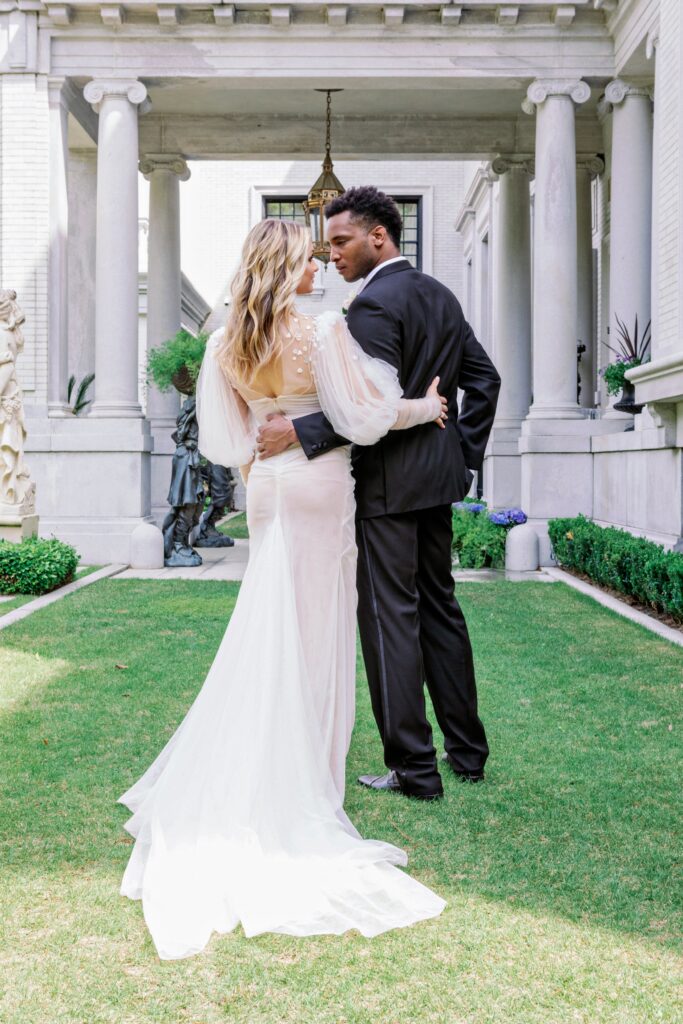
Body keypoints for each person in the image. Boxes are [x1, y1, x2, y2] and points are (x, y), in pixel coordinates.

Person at [118, 219, 448, 960]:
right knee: (318, 638)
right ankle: (311, 792)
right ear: (289, 264)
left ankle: (276, 768)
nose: (318, 269)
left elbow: (228, 441)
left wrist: (265, 461)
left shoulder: (224, 340)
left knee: (269, 634)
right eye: (308, 258)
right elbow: (362, 418)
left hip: (265, 491)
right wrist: (425, 408)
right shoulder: (319, 330)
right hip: (316, 489)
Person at [256, 187, 501, 800]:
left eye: (340, 242)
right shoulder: (441, 295)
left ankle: (415, 771)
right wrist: (462, 459)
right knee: (441, 609)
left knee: (391, 618)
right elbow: (485, 380)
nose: (332, 254)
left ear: (378, 238)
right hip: (438, 485)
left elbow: (361, 409)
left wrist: (297, 429)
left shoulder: (367, 309)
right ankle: (467, 754)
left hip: (387, 486)